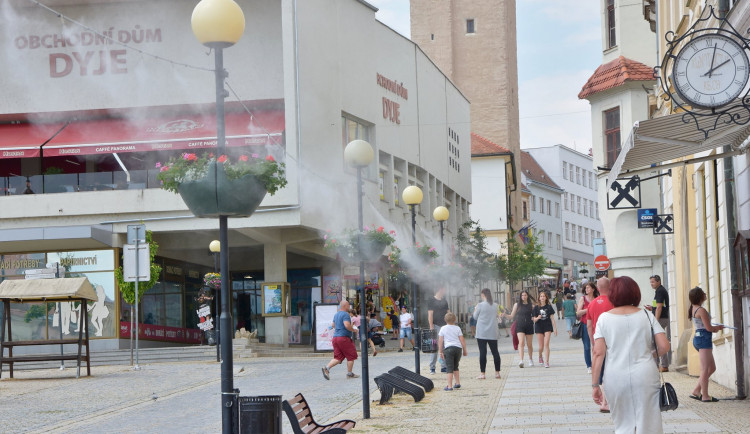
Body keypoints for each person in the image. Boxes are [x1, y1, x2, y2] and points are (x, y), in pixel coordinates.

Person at [591, 276, 669, 433]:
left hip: (616, 375)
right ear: (635, 293)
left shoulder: (604, 319)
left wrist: (595, 385)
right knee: (648, 422)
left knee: (623, 423)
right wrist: (649, 355)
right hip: (645, 374)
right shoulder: (647, 315)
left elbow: (598, 353)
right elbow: (664, 346)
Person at [688, 286, 724, 402]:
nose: (705, 294)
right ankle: (705, 396)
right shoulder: (701, 310)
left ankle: (696, 390)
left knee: (712, 368)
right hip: (704, 339)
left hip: (698, 338)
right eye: (703, 293)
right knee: (704, 369)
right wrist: (717, 328)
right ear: (700, 296)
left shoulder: (693, 308)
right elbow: (708, 328)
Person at [587, 277, 614, 413]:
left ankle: (604, 401)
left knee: (602, 370)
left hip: (598, 340)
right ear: (610, 288)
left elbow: (589, 325)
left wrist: (592, 341)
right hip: (612, 340)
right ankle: (605, 401)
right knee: (610, 369)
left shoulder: (591, 304)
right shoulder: (614, 302)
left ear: (597, 288)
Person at [322, 300, 360, 380]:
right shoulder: (345, 314)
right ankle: (349, 374)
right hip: (344, 338)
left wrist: (339, 329)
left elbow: (333, 325)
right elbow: (346, 325)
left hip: (335, 338)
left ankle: (327, 368)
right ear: (345, 305)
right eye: (348, 305)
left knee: (338, 357)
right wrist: (354, 330)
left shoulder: (336, 315)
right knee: (351, 355)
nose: (349, 306)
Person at [473, 288, 501, 379]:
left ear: (482, 295)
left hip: (482, 332)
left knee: (482, 352)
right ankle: (497, 373)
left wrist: (475, 309)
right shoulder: (495, 305)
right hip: (492, 331)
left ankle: (483, 373)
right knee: (495, 352)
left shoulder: (480, 305)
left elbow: (475, 317)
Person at [646, 274, 671, 372]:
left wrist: (655, 321)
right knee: (658, 341)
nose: (651, 284)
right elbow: (658, 306)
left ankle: (658, 365)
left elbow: (660, 307)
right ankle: (662, 364)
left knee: (654, 342)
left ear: (658, 281)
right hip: (662, 318)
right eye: (650, 282)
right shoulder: (659, 291)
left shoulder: (660, 291)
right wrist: (652, 308)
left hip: (660, 319)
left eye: (652, 282)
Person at [438, 312, 468, 391]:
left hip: (448, 349)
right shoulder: (457, 328)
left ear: (445, 320)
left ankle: (449, 386)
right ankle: (457, 383)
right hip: (458, 348)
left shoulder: (443, 328)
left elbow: (440, 341)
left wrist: (440, 351)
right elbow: (462, 339)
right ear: (455, 320)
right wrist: (464, 350)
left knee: (449, 367)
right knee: (455, 366)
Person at [505, 290, 535, 368]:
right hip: (520, 325)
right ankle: (521, 360)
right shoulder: (517, 305)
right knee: (521, 342)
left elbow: (535, 315)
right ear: (520, 297)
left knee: (529, 344)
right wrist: (505, 315)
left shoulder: (531, 305)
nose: (523, 297)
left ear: (527, 296)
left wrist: (535, 318)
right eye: (522, 295)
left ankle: (530, 359)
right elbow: (511, 316)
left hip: (529, 325)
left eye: (525, 295)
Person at [577, 281, 599, 373]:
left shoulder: (597, 298)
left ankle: (596, 363)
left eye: (588, 288)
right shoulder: (583, 299)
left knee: (597, 345)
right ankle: (589, 365)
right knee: (587, 346)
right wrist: (588, 309)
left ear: (593, 289)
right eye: (585, 288)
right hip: (585, 324)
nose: (586, 289)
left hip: (596, 325)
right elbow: (578, 312)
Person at [532, 290, 557, 368]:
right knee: (541, 346)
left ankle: (546, 362)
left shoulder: (549, 307)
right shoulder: (536, 307)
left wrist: (555, 328)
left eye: (543, 296)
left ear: (546, 298)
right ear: (539, 298)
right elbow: (534, 319)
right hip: (539, 326)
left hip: (547, 326)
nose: (542, 298)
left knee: (546, 344)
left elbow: (552, 318)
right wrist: (538, 318)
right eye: (541, 296)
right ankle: (540, 356)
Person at [428, 287, 449, 374]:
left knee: (444, 346)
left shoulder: (445, 301)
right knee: (434, 346)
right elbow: (430, 314)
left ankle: (443, 366)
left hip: (444, 326)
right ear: (440, 289)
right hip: (436, 325)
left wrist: (450, 324)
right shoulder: (431, 300)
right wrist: (431, 326)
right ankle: (432, 367)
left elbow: (448, 313)